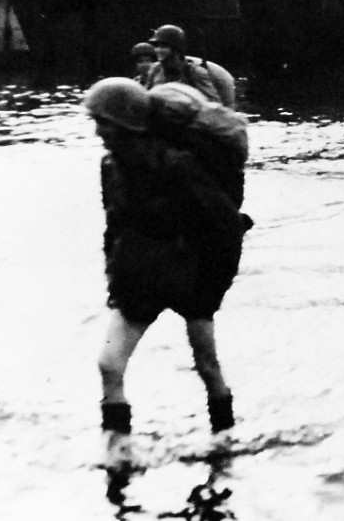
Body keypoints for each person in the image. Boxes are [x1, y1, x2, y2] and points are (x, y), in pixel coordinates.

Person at [84, 78, 247, 463]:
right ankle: (118, 453)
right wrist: (115, 278)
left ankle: (224, 441)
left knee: (206, 367)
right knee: (108, 365)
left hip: (188, 277)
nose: (97, 131)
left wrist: (208, 291)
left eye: (102, 122)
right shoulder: (111, 166)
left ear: (125, 124)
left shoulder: (177, 165)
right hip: (139, 280)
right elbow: (114, 226)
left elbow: (225, 227)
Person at [142, 24, 235, 107]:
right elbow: (146, 98)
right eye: (156, 46)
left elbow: (214, 106)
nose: (158, 50)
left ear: (176, 48)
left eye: (163, 46)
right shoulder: (155, 69)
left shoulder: (195, 72)